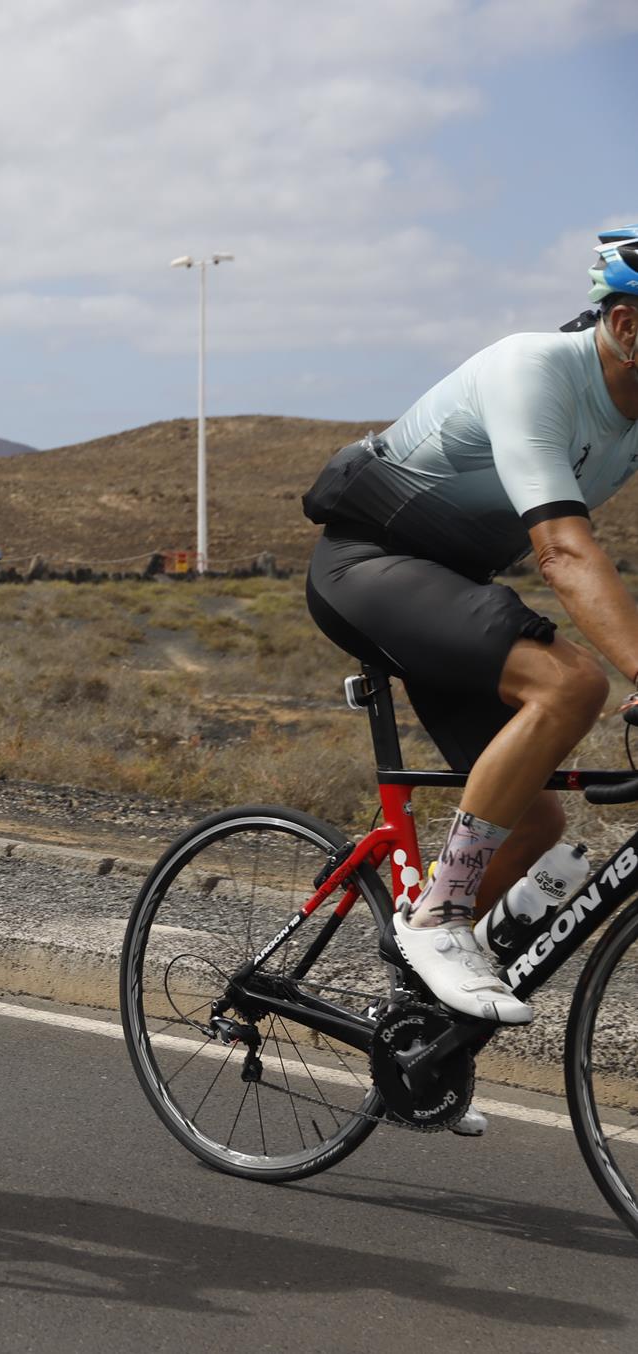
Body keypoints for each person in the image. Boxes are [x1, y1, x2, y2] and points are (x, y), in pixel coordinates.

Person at [302, 227, 638, 1049]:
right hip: (367, 566)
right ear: (626, 326)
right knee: (570, 683)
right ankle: (440, 913)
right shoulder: (533, 370)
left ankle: (413, 1037)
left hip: (450, 588)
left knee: (532, 827)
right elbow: (561, 552)